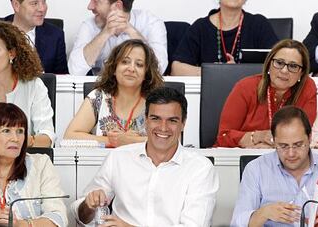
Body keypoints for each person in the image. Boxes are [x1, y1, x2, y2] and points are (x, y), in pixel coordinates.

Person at [71, 87, 219, 226]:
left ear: (183, 124)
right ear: (146, 120)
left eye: (172, 120)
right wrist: (88, 205)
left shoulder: (200, 168)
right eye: (155, 118)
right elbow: (80, 214)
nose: (163, 127)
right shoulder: (119, 158)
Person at [231, 106, 318, 226]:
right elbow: (237, 222)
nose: (291, 154)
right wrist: (262, 214)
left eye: (298, 145)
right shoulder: (255, 170)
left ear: (310, 138)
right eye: (283, 146)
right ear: (274, 141)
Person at [215, 39, 317, 148]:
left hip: (288, 157)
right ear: (269, 64)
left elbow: (303, 135)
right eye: (279, 63)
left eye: (293, 66)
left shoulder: (307, 88)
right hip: (240, 157)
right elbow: (224, 136)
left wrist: (272, 148)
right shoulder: (245, 87)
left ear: (301, 73)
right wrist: (258, 137)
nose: (284, 71)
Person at [64, 39, 164, 147]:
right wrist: (112, 141)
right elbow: (70, 136)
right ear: (114, 69)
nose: (131, 68)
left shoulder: (157, 102)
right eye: (125, 62)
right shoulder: (98, 97)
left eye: (139, 64)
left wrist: (131, 141)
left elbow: (170, 140)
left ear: (147, 73)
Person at [171, 0, 278, 76]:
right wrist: (214, 72)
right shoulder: (200, 27)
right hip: (212, 92)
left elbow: (278, 64)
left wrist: (236, 71)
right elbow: (176, 69)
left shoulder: (259, 24)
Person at [0, 0, 69, 74]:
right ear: (16, 5)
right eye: (34, 3)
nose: (42, 8)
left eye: (44, 1)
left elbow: (62, 78)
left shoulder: (55, 35)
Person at [68, 0, 167, 76]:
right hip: (102, 92)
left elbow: (158, 70)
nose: (90, 6)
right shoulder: (89, 25)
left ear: (117, 6)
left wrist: (131, 31)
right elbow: (75, 70)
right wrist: (104, 33)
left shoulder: (151, 23)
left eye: (96, 1)